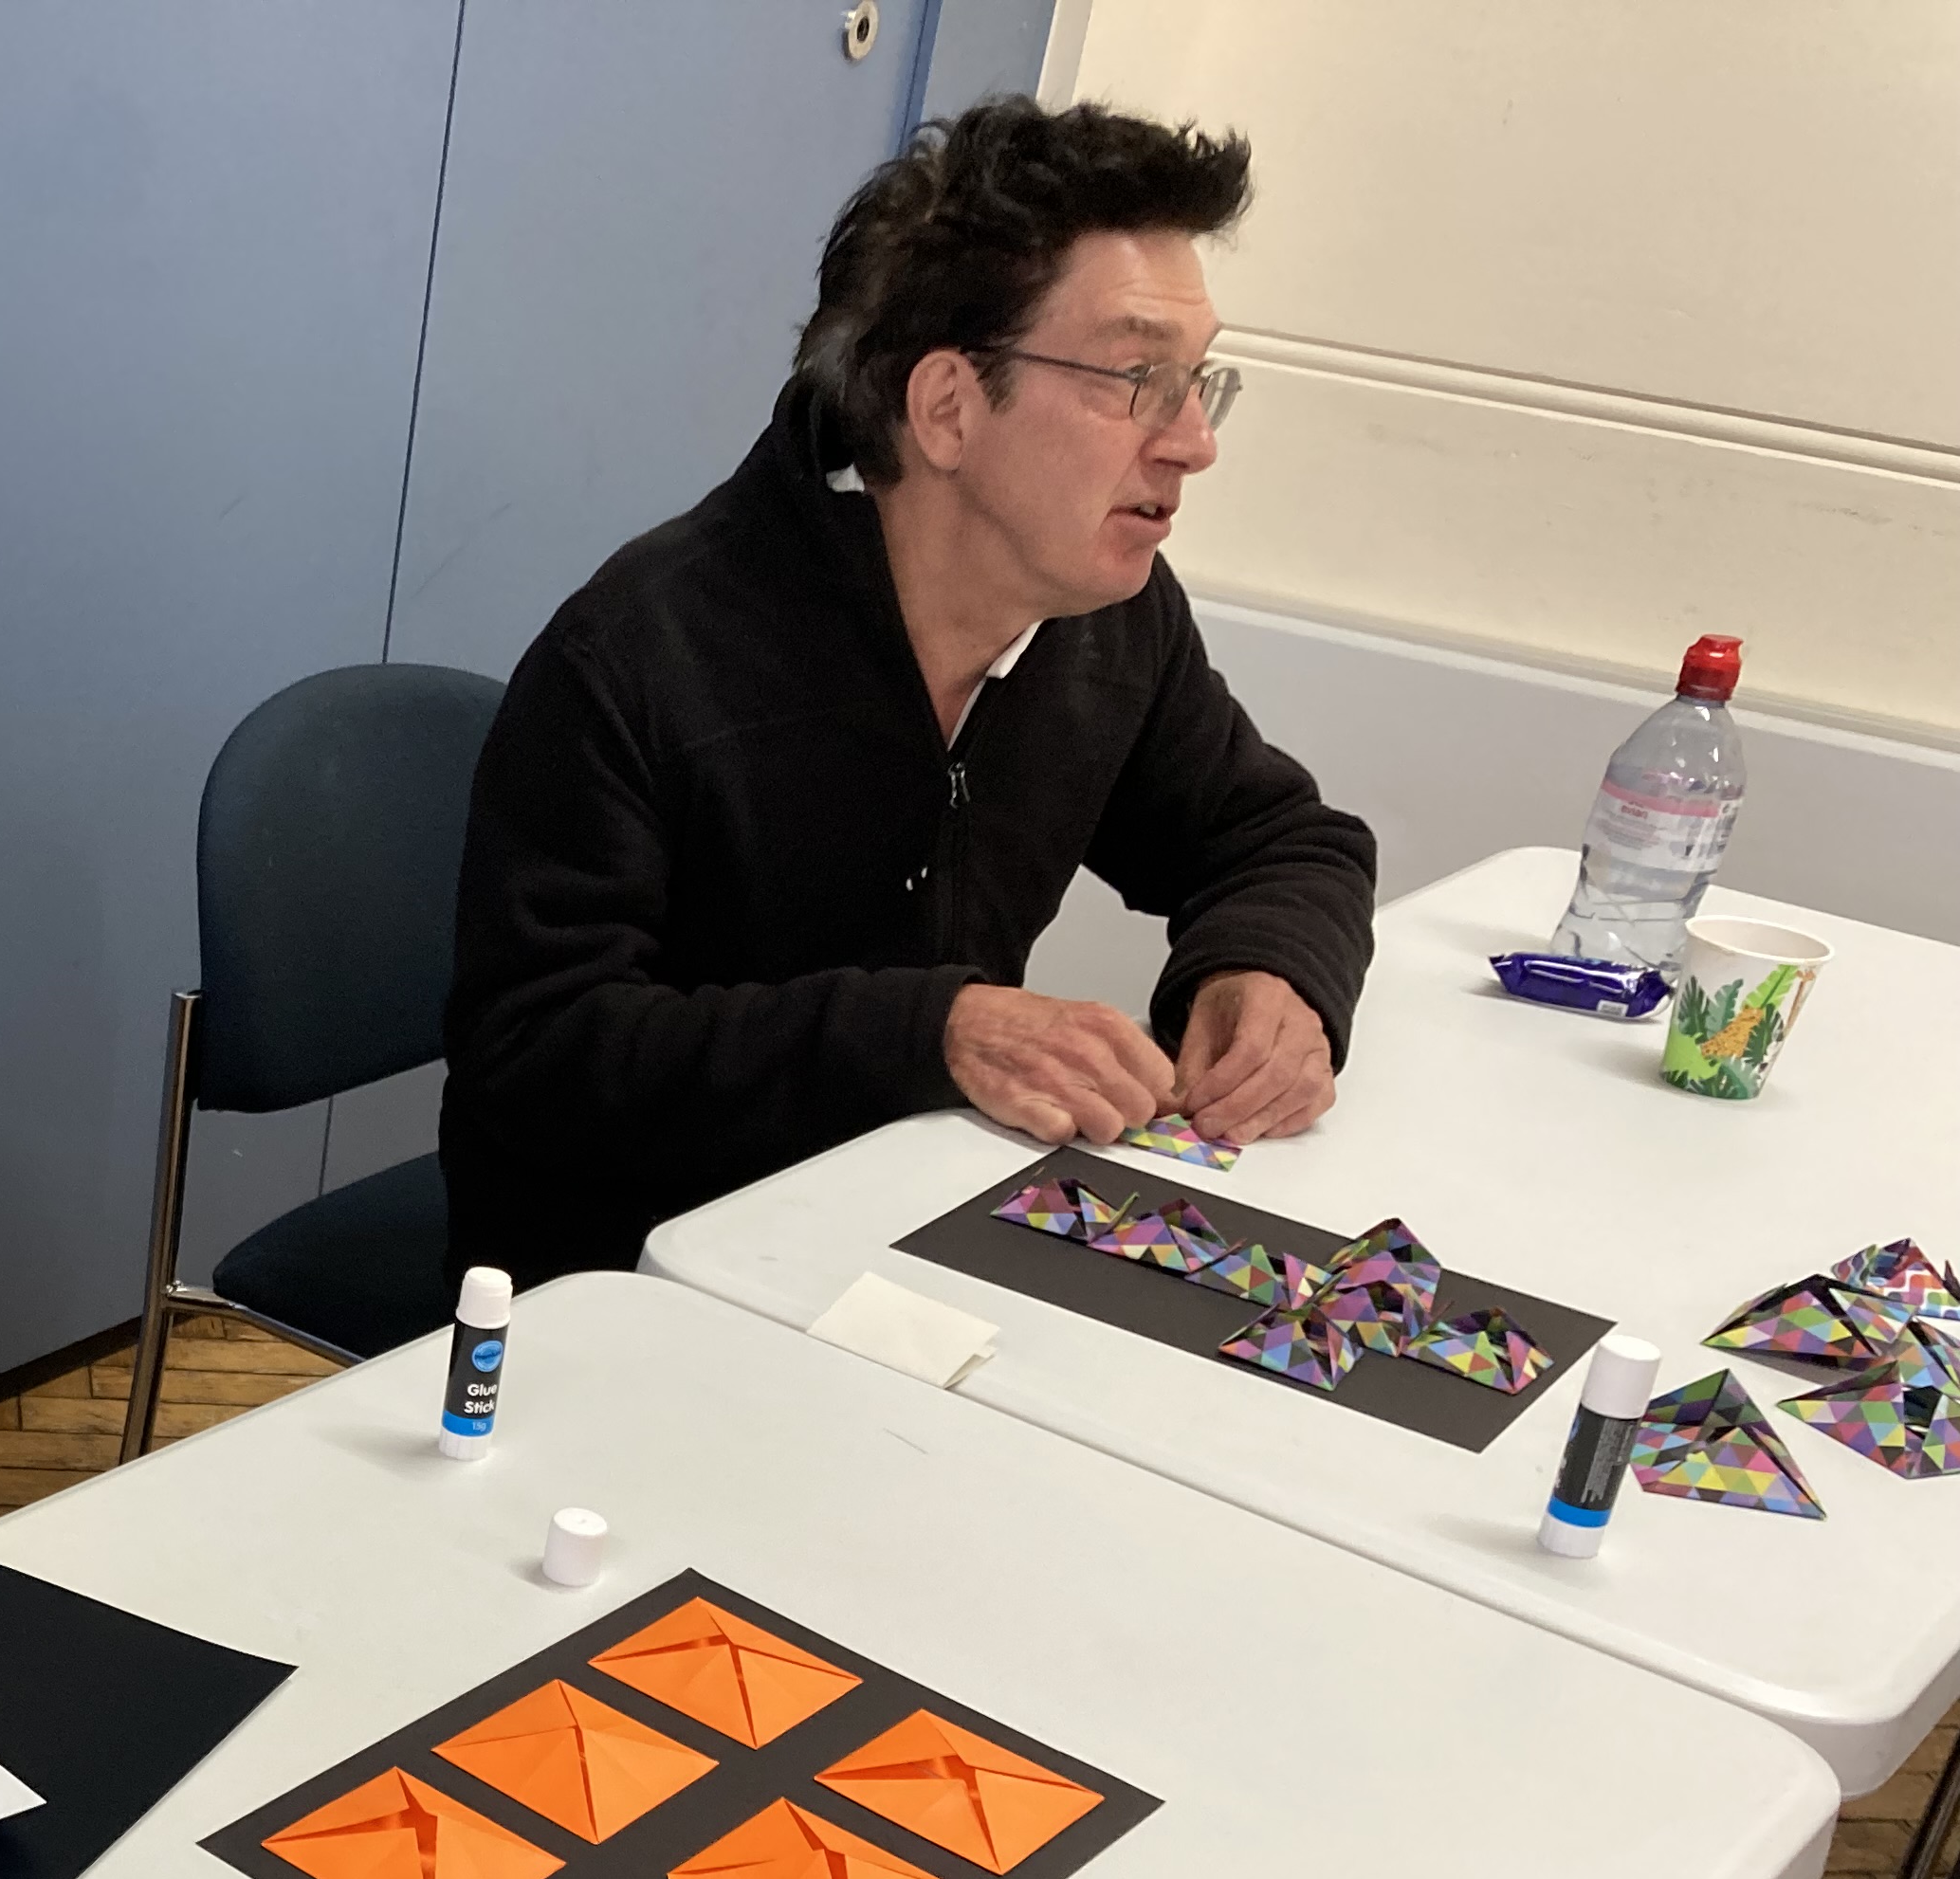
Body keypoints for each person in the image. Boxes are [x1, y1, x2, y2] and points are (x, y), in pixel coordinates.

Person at [441, 98, 1378, 1286]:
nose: (1193, 441)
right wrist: (929, 1031)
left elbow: (1284, 839)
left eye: (1200, 381)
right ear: (947, 408)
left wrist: (1269, 969)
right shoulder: (641, 653)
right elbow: (536, 1058)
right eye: (1138, 377)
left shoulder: (1108, 620)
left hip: (909, 1247)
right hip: (625, 1290)